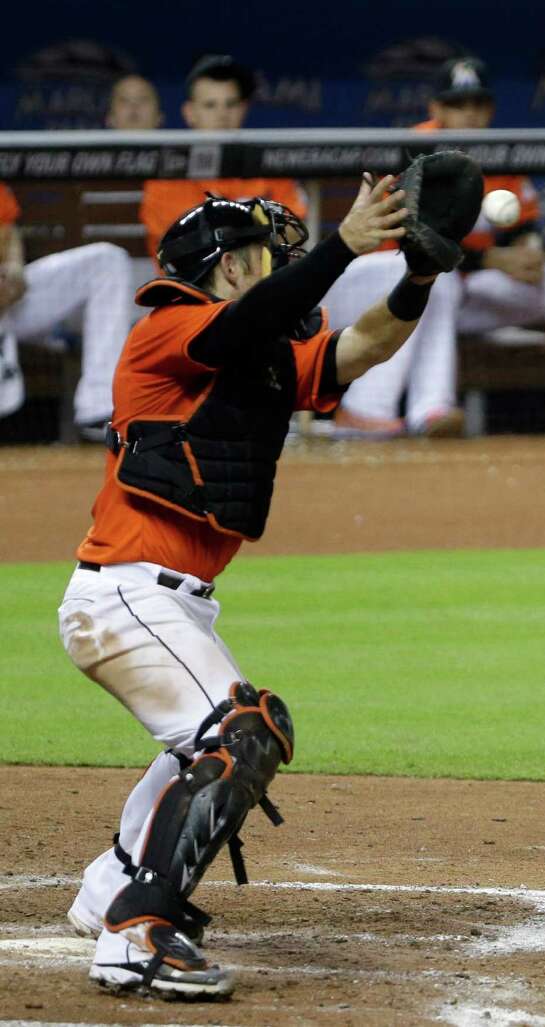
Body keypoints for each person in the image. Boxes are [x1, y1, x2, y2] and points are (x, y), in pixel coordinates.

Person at [57, 155, 480, 996]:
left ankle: (112, 882)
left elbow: (361, 346)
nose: (276, 264)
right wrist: (341, 247)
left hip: (168, 604)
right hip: (124, 592)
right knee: (241, 732)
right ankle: (137, 935)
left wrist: (419, 275)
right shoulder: (168, 328)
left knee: (212, 744)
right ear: (223, 265)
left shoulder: (262, 359)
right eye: (260, 252)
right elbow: (234, 328)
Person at [322, 56, 545, 439]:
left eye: (477, 104)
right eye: (457, 105)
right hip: (382, 290)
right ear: (436, 108)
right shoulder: (412, 151)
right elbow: (411, 243)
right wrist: (494, 258)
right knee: (431, 280)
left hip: (460, 290)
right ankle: (413, 409)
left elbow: (523, 227)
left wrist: (529, 251)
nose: (469, 115)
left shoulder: (498, 153)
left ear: (490, 109)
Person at [139, 55, 307, 260]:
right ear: (190, 113)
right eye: (210, 105)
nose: (222, 114)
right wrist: (254, 223)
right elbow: (181, 247)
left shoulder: (266, 166)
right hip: (191, 287)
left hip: (262, 284)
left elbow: (292, 233)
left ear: (243, 109)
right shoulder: (169, 173)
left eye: (231, 104)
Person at [0, 182, 132, 437]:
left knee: (107, 261)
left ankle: (100, 408)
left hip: (12, 302)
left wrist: (15, 271)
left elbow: (7, 231)